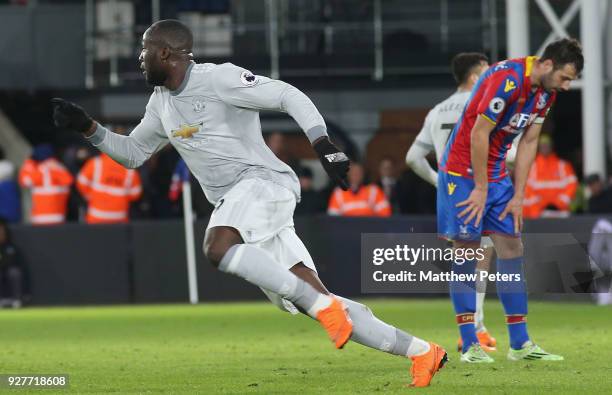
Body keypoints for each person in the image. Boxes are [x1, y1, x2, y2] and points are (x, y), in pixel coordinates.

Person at [51, 19, 446, 387]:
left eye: (144, 50)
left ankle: (324, 309)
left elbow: (287, 94)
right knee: (316, 298)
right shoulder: (161, 102)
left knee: (218, 247)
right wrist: (89, 127)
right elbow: (135, 153)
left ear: (168, 52)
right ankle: (422, 352)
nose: (139, 58)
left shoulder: (219, 78)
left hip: (263, 184)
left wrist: (322, 143)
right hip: (243, 203)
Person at [438, 38, 582, 363]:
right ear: (547, 65)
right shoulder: (508, 79)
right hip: (462, 173)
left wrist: (518, 195)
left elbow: (530, 140)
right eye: (565, 77)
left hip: (497, 174)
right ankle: (469, 344)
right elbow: (478, 133)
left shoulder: (546, 92)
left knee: (512, 248)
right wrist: (479, 187)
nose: (568, 85)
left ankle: (520, 344)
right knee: (467, 250)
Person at [405, 52, 497, 352]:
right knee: (479, 256)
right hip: (476, 187)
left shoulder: (437, 110)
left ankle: (473, 329)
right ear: (474, 77)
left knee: (467, 258)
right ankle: (473, 330)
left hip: (451, 192)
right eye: (485, 71)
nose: (489, 76)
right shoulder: (483, 106)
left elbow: (413, 158)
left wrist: (439, 181)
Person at [76, 152, 143, 224]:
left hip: (95, 218)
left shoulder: (96, 163)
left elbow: (81, 182)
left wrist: (89, 196)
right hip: (119, 219)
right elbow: (136, 194)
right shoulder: (130, 169)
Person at [522, 134, 577, 218]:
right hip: (538, 214)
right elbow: (527, 189)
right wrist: (538, 206)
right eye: (542, 146)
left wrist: (561, 202)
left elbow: (572, 184)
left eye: (546, 145)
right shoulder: (532, 167)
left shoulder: (562, 165)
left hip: (561, 212)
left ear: (551, 147)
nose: (544, 148)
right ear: (538, 148)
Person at [18, 144, 73, 225]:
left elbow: (24, 181)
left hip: (39, 218)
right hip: (58, 216)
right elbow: (69, 181)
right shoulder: (58, 167)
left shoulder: (38, 170)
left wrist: (30, 161)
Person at [327, 162, 391, 217]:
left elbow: (385, 213)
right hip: (346, 229)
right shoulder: (339, 192)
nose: (356, 175)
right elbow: (333, 217)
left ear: (363, 174)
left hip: (369, 228)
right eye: (353, 172)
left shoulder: (374, 190)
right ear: (348, 174)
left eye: (358, 172)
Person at [0, 219, 24, 308]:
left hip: (9, 271)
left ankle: (17, 300)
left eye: (2, 232)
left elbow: (14, 262)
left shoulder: (11, 247)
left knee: (14, 272)